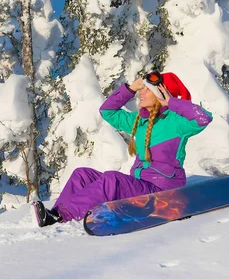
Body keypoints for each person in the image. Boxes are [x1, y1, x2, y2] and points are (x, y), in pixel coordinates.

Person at [32, 71, 213, 227]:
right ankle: (56, 215)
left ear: (160, 94)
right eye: (141, 89)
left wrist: (171, 103)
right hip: (140, 186)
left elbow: (203, 118)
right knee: (82, 174)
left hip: (161, 192)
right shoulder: (139, 121)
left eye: (146, 90)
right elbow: (107, 111)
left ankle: (63, 215)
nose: (141, 93)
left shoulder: (176, 122)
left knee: (112, 179)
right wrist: (131, 88)